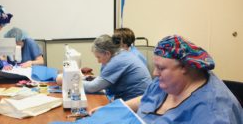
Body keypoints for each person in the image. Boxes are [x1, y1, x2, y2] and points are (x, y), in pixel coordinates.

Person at [91, 35, 243, 123]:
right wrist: (110, 110)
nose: (155, 73)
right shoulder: (168, 81)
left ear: (185, 67)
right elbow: (146, 98)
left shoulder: (213, 112)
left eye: (161, 68)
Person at [57, 34, 152, 101]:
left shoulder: (117, 61)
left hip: (135, 104)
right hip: (137, 99)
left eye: (98, 57)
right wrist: (85, 79)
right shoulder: (121, 54)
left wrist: (67, 80)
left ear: (107, 53)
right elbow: (104, 80)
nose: (98, 61)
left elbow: (93, 87)